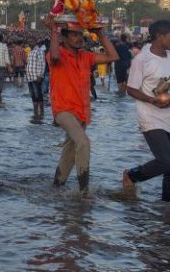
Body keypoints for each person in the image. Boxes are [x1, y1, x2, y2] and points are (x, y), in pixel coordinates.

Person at [44, 16, 118, 192]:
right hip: (63, 110)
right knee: (83, 143)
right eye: (74, 35)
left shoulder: (86, 56)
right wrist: (54, 30)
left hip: (82, 112)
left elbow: (113, 56)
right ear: (64, 37)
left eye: (80, 35)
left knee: (69, 153)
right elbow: (54, 56)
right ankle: (84, 191)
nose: (79, 39)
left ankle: (57, 186)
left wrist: (100, 34)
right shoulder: (57, 54)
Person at [122, 20, 170, 200]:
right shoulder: (142, 59)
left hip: (169, 115)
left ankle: (165, 207)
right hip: (151, 117)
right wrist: (151, 99)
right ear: (160, 36)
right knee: (166, 160)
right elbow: (131, 89)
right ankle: (132, 175)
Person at [26, 40, 46, 120]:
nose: (30, 43)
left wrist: (40, 76)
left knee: (38, 95)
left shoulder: (39, 51)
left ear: (35, 42)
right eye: (29, 42)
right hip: (30, 77)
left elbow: (42, 63)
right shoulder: (30, 52)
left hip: (36, 76)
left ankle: (41, 113)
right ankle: (35, 112)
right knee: (33, 95)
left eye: (31, 41)